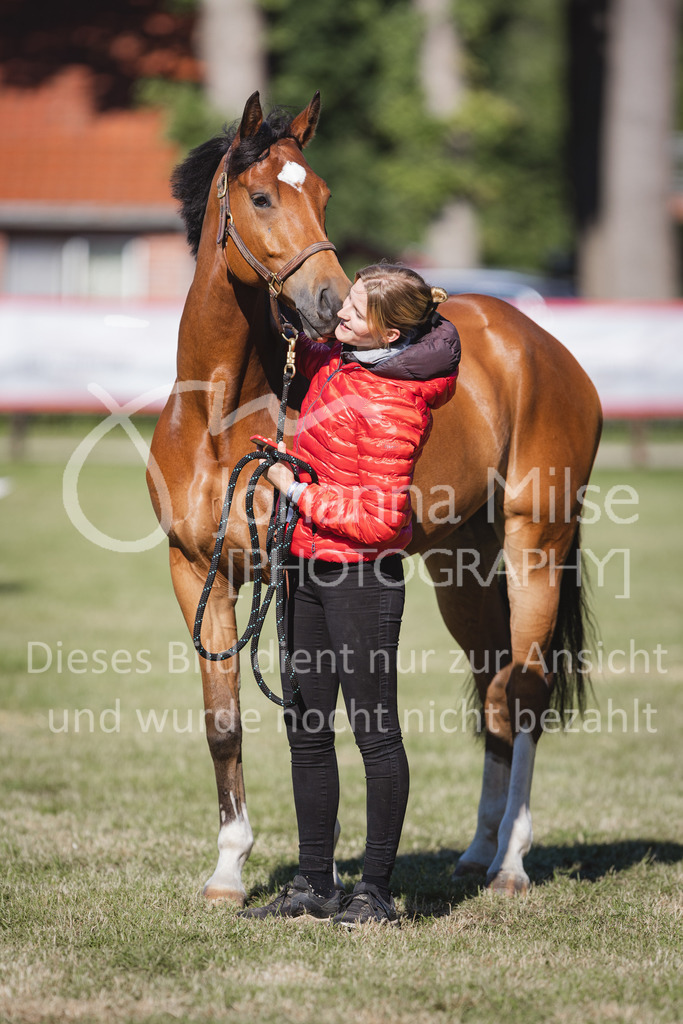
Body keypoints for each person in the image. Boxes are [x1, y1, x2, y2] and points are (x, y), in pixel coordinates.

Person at [239, 264, 460, 927]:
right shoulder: (342, 359)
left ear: (390, 330)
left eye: (356, 307)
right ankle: (313, 882)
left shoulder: (395, 402)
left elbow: (383, 519)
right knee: (306, 728)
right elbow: (293, 338)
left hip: (361, 578)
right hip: (304, 567)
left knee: (374, 735)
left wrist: (295, 490)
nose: (341, 311)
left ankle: (375, 891)